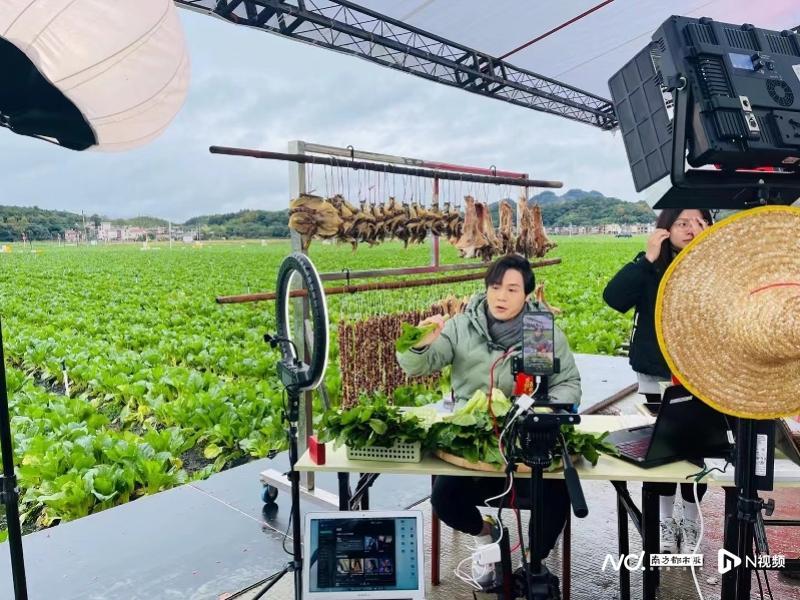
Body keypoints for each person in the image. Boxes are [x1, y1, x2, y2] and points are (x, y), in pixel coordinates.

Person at [396, 254, 581, 588]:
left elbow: (568, 383)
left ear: (527, 293)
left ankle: (531, 565)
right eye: (495, 287)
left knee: (556, 497)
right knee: (445, 499)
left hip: (525, 443)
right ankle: (487, 536)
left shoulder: (539, 330)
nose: (501, 296)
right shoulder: (462, 327)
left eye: (512, 289)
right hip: (473, 444)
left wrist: (547, 410)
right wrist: (419, 345)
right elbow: (416, 366)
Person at [603, 208, 713, 554]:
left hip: (702, 373)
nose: (691, 229)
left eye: (699, 222)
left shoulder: (716, 265)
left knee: (697, 447)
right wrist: (647, 258)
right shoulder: (650, 267)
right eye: (682, 222)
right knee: (661, 447)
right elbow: (614, 298)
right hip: (655, 371)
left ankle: (692, 515)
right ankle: (666, 520)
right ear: (665, 230)